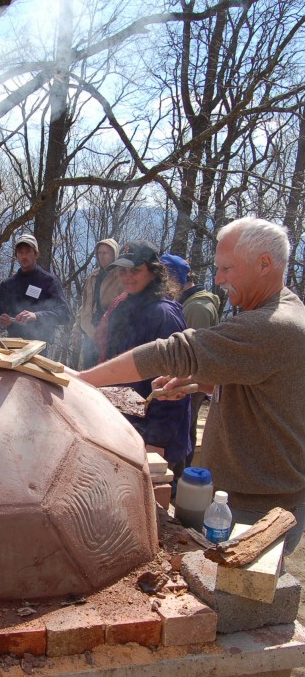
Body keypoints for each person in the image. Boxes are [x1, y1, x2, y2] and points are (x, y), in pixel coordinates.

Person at [78, 218, 305, 555]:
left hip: (256, 505)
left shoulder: (273, 325)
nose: (218, 279)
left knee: (231, 598)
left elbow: (173, 351)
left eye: (227, 268)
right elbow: (262, 388)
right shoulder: (283, 310)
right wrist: (198, 383)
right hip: (246, 493)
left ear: (264, 264)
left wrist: (78, 381)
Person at [99, 241, 191, 475]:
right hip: (128, 425)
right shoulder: (123, 307)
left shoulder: (163, 314)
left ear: (153, 272)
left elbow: (174, 386)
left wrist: (156, 442)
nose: (127, 276)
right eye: (123, 270)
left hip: (157, 440)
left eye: (135, 270)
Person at [160, 253, 220, 465]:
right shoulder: (189, 303)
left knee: (183, 429)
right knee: (187, 428)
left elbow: (193, 352)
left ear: (174, 278)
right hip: (186, 379)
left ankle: (179, 476)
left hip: (191, 380)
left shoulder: (198, 307)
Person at [0, 233, 72, 347]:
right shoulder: (7, 285)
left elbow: (65, 315)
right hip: (13, 346)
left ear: (36, 254)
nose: (24, 256)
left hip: (41, 348)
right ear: (16, 256)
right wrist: (1, 322)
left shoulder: (49, 281)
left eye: (28, 252)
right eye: (20, 252)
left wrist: (37, 316)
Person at [72, 238, 123, 369]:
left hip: (110, 337)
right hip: (90, 332)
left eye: (105, 253)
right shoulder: (93, 276)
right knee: (88, 373)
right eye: (99, 253)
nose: (102, 256)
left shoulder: (121, 277)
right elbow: (85, 306)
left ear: (114, 254)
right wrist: (77, 328)